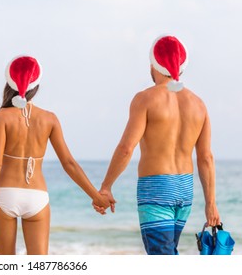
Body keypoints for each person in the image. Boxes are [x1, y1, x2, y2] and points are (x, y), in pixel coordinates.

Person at [0, 56, 110, 255]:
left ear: (9, 83)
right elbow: (69, 163)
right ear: (35, 86)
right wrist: (96, 196)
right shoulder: (49, 118)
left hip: (4, 195)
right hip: (37, 197)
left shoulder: (1, 116)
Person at [94, 35, 220, 255]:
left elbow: (126, 148)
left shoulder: (145, 99)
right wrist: (211, 203)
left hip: (157, 187)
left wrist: (106, 187)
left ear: (153, 64)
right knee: (169, 252)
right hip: (185, 190)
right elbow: (206, 157)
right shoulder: (199, 104)